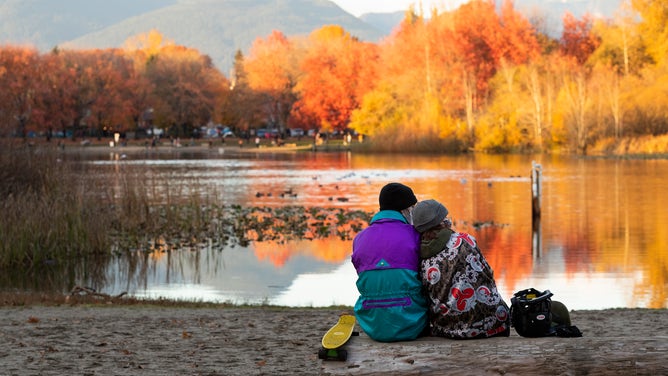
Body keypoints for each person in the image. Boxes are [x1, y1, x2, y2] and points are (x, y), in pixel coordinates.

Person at [412, 199, 510, 339]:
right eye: (445, 217)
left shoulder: (419, 256)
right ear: (441, 222)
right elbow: (488, 275)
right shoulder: (466, 240)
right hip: (490, 324)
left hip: (447, 328)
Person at [351, 183, 428, 342]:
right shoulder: (415, 235)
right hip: (412, 323)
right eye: (412, 208)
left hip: (372, 325)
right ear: (405, 210)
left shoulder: (359, 238)